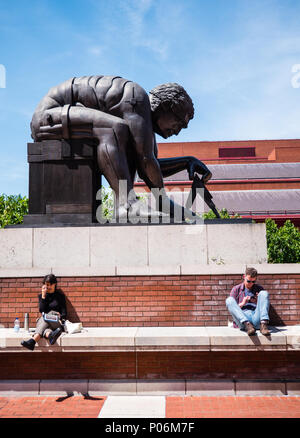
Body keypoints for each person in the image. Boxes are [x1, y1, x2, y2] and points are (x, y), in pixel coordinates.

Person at [30, 76, 211, 219]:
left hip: (64, 117)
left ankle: (124, 206)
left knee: (125, 139)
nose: (177, 131)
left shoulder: (142, 122)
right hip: (47, 117)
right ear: (166, 107)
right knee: (114, 128)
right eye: (178, 123)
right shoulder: (137, 98)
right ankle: (127, 205)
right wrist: (164, 202)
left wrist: (188, 162)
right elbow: (146, 160)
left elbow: (148, 168)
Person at [21, 274, 67, 351]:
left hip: (56, 323)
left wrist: (61, 318)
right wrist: (43, 296)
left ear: (54, 284)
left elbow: (64, 313)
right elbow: (41, 310)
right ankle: (50, 336)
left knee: (49, 314)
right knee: (44, 323)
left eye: (49, 285)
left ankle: (32, 341)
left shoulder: (60, 296)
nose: (47, 287)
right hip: (47, 324)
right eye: (46, 285)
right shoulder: (42, 296)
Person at [225, 267, 270, 336]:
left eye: (253, 282)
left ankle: (263, 324)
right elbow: (232, 309)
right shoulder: (236, 289)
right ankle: (248, 325)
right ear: (244, 277)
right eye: (248, 281)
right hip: (243, 320)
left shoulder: (259, 289)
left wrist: (258, 301)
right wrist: (243, 303)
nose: (251, 283)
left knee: (264, 293)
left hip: (256, 317)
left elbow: (264, 306)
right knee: (229, 300)